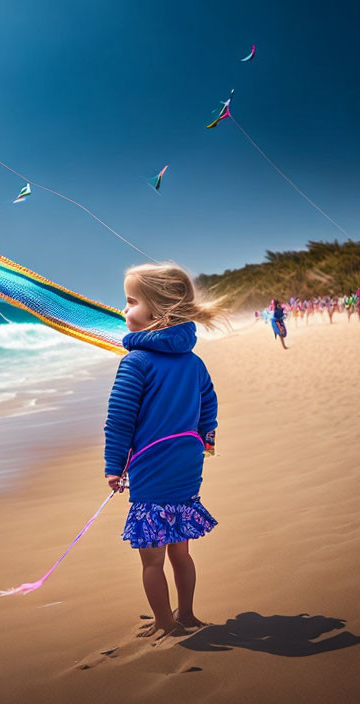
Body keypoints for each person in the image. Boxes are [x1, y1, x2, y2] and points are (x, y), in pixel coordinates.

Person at [104, 263, 224, 640]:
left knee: (152, 561)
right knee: (181, 553)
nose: (124, 310)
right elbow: (209, 404)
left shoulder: (135, 362)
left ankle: (166, 623)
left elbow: (120, 421)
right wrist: (206, 440)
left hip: (153, 473)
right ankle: (186, 613)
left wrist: (113, 466)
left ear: (157, 311)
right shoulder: (193, 362)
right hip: (186, 469)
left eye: (130, 302)